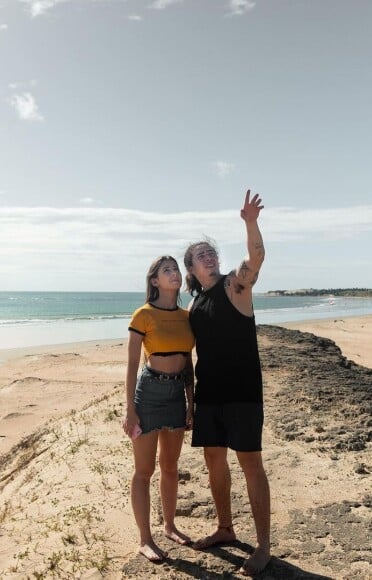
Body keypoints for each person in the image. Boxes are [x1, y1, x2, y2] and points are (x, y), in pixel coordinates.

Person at [183, 190, 271, 576]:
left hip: (243, 391)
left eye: (211, 252)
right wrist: (189, 401)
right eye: (201, 255)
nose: (209, 256)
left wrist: (250, 222)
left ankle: (264, 545)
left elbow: (256, 258)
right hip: (210, 395)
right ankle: (225, 528)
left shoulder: (236, 285)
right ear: (191, 267)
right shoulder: (194, 305)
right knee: (213, 461)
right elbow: (187, 353)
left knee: (250, 463)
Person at [123, 256, 195, 562]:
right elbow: (129, 365)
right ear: (155, 281)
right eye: (167, 271)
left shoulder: (185, 316)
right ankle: (145, 539)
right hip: (149, 393)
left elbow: (188, 360)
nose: (174, 273)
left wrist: (191, 402)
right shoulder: (143, 314)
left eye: (176, 269)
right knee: (144, 470)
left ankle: (169, 526)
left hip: (176, 393)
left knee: (170, 466)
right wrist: (129, 408)